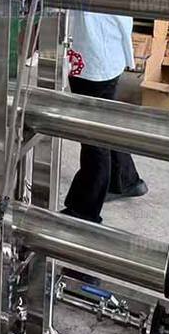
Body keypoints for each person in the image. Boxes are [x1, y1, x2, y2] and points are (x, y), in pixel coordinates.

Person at [62, 11, 147, 224]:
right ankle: (125, 180)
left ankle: (84, 211)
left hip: (94, 57)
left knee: (93, 136)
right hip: (105, 51)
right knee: (106, 121)